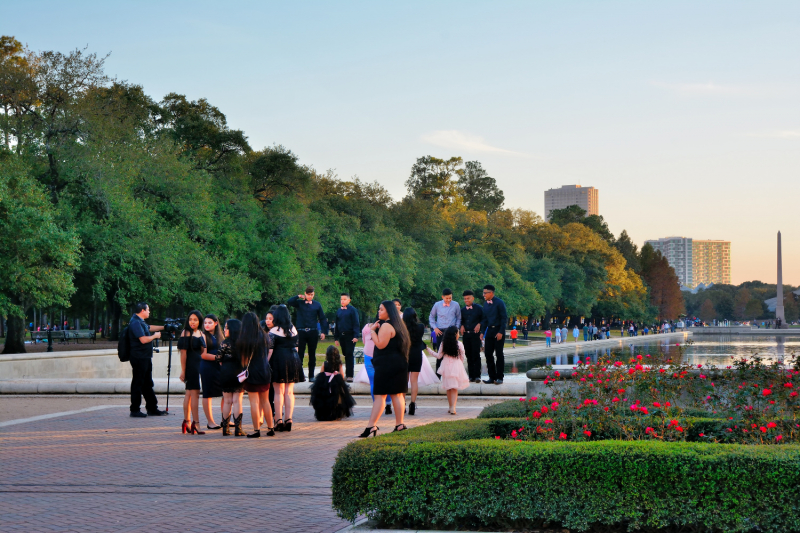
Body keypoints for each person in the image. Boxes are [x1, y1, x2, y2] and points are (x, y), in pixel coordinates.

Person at [358, 300, 410, 438]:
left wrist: (372, 331)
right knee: (397, 394)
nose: (378, 311)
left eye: (381, 309)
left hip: (387, 365)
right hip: (399, 363)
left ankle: (371, 426)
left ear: (388, 311)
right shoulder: (399, 325)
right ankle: (400, 424)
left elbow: (381, 344)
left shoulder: (387, 325)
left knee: (380, 396)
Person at [235, 312, 273, 438]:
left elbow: (244, 360)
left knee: (254, 403)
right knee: (265, 401)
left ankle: (256, 430)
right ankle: (270, 428)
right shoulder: (264, 335)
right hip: (265, 371)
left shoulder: (244, 338)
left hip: (252, 373)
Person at [127, 302, 166, 418]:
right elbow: (143, 340)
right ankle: (135, 409)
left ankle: (152, 408)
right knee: (138, 383)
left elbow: (149, 327)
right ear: (142, 311)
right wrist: (155, 336)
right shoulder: (135, 322)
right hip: (139, 357)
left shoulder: (140, 322)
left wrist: (164, 327)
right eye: (148, 309)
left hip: (145, 357)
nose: (149, 312)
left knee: (147, 383)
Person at [269, 305, 303, 433]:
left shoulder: (273, 331)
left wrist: (266, 363)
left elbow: (270, 351)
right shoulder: (293, 329)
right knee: (289, 392)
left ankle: (279, 420)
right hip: (293, 359)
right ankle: (289, 419)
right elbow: (297, 347)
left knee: (278, 392)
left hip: (279, 360)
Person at [287, 286, 328, 380]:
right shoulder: (300, 303)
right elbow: (290, 301)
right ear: (305, 294)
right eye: (308, 294)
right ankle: (299, 374)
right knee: (300, 354)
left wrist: (323, 331)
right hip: (301, 331)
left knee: (312, 354)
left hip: (313, 331)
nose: (310, 296)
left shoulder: (317, 305)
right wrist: (298, 296)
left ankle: (311, 375)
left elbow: (322, 318)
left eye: (312, 295)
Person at [429, 326, 470, 414]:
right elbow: (462, 356)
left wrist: (429, 350)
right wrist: (459, 364)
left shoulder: (444, 343)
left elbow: (438, 356)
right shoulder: (459, 344)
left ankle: (450, 406)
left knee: (448, 388)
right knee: (454, 388)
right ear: (455, 334)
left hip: (446, 366)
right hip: (456, 365)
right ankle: (453, 407)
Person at [178, 310, 207, 435]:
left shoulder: (201, 333)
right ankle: (196, 423)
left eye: (195, 319)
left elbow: (203, 352)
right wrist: (183, 371)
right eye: (190, 319)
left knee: (189, 394)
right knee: (194, 394)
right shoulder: (186, 333)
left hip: (198, 365)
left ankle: (187, 422)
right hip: (191, 367)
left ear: (199, 321)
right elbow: (183, 353)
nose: (192, 322)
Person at [216, 319, 246, 436]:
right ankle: (238, 429)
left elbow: (218, 358)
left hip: (226, 372)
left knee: (227, 401)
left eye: (227, 327)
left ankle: (226, 428)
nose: (225, 329)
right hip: (239, 374)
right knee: (237, 401)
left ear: (233, 329)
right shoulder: (243, 343)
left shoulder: (225, 343)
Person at [310, 345, 356, 421]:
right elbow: (342, 375)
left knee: (325, 399)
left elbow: (321, 373)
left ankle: (325, 414)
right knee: (338, 399)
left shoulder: (325, 363)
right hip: (336, 383)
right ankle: (336, 415)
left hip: (325, 384)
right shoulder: (339, 364)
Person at [199, 314, 224, 430]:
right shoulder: (203, 335)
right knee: (207, 393)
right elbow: (203, 355)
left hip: (220, 367)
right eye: (205, 323)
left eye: (209, 322)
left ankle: (226, 419)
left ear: (216, 323)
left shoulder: (220, 335)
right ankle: (210, 422)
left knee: (226, 392)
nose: (207, 325)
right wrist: (218, 358)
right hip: (207, 367)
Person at [429, 289, 461, 376]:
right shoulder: (437, 305)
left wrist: (456, 329)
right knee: (440, 353)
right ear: (442, 297)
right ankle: (438, 376)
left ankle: (452, 375)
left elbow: (458, 318)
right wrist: (434, 328)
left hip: (451, 331)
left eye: (450, 298)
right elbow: (431, 317)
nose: (448, 300)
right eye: (446, 298)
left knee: (452, 353)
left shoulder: (456, 305)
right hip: (440, 331)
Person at [481, 285, 507, 385]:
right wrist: (482, 332)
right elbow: (484, 319)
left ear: (491, 293)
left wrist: (500, 332)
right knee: (488, 353)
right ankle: (492, 377)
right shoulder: (486, 304)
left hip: (498, 330)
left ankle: (500, 377)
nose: (483, 295)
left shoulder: (500, 303)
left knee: (499, 354)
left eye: (485, 293)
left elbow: (504, 318)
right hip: (489, 331)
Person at [403, 307, 426, 415]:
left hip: (405, 354)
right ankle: (412, 403)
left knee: (404, 381)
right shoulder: (420, 327)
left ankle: (402, 404)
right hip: (417, 354)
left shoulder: (402, 328)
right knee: (414, 381)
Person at [334, 293, 360, 382]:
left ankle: (350, 375)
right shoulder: (339, 311)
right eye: (341, 299)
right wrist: (336, 337)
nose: (342, 301)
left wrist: (356, 336)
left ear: (349, 300)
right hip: (342, 335)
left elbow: (356, 323)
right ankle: (346, 373)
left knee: (349, 354)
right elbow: (337, 325)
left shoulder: (353, 310)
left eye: (344, 299)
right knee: (345, 353)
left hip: (350, 335)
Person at [460, 290, 484, 383]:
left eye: (468, 298)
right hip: (466, 335)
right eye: (465, 299)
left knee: (476, 355)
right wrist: (461, 325)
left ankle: (477, 376)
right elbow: (460, 321)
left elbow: (484, 319)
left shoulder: (479, 308)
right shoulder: (462, 310)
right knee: (468, 355)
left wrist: (479, 324)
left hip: (475, 335)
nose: (466, 300)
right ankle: (471, 376)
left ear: (472, 298)